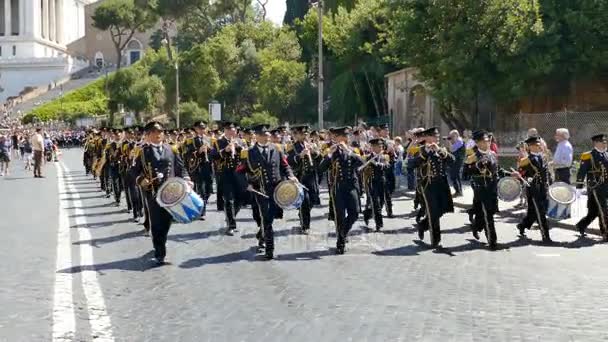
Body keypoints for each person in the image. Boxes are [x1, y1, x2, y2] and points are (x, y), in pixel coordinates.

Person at [131, 121, 190, 265]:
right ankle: (160, 253)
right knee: (157, 222)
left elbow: (180, 167)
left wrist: (187, 179)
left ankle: (161, 241)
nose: (158, 135)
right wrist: (141, 180)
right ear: (149, 135)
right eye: (155, 132)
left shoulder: (172, 149)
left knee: (167, 220)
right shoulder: (142, 151)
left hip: (170, 191)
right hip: (153, 191)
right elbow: (133, 171)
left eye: (161, 132)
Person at [237, 124, 295, 259]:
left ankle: (261, 234)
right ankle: (270, 250)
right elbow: (239, 172)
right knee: (267, 218)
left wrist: (291, 176)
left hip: (276, 189)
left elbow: (285, 166)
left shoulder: (277, 148)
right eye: (263, 135)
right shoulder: (248, 152)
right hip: (260, 190)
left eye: (267, 135)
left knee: (273, 216)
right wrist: (247, 185)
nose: (267, 137)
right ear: (256, 136)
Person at [319, 127, 363, 254]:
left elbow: (361, 163)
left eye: (347, 137)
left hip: (352, 186)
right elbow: (321, 169)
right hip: (338, 187)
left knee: (355, 213)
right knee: (340, 216)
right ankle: (341, 242)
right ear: (336, 138)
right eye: (343, 137)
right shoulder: (331, 151)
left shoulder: (353, 150)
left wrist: (348, 151)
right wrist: (329, 155)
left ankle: (342, 233)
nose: (346, 139)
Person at [409, 127, 455, 247]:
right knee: (433, 212)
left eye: (438, 136)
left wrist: (441, 151)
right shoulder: (420, 150)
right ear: (427, 138)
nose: (437, 138)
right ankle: (436, 240)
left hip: (442, 184)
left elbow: (452, 161)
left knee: (442, 209)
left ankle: (422, 225)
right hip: (428, 185)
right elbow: (411, 164)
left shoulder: (441, 149)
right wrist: (425, 153)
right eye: (435, 136)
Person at [463, 130, 508, 249]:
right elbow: (465, 173)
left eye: (488, 140)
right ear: (477, 143)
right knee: (488, 214)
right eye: (485, 141)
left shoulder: (492, 153)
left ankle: (475, 226)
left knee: (490, 211)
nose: (488, 142)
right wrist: (477, 167)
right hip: (481, 188)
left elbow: (498, 170)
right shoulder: (473, 156)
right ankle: (492, 241)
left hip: (492, 188)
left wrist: (510, 175)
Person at [515, 135, 552, 243]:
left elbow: (546, 173)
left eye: (539, 144)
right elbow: (521, 173)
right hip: (533, 188)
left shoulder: (543, 157)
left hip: (542, 188)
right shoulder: (526, 160)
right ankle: (546, 237)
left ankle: (522, 225)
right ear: (530, 147)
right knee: (540, 212)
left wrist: (549, 184)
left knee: (533, 212)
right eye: (536, 145)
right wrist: (520, 176)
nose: (538, 146)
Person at [287, 124, 321, 234]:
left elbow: (320, 159)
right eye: (302, 134)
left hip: (312, 177)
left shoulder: (312, 145)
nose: (305, 136)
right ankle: (305, 225)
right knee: (305, 201)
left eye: (306, 134)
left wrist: (314, 152)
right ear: (297, 135)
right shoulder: (293, 147)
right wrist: (300, 155)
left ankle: (302, 213)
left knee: (313, 199)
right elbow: (289, 161)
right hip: (301, 177)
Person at [211, 121, 244, 235]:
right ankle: (231, 224)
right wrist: (225, 150)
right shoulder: (218, 142)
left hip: (239, 173)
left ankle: (231, 215)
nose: (231, 132)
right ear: (225, 131)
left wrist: (239, 148)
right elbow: (213, 156)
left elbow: (246, 154)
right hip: (225, 173)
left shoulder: (240, 141)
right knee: (228, 199)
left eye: (233, 130)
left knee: (240, 198)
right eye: (228, 130)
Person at [575, 134, 608, 239]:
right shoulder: (588, 155)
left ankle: (581, 225)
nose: (605, 143)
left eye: (605, 141)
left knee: (593, 212)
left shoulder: (606, 154)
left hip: (606, 186)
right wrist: (579, 187)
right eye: (602, 142)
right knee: (604, 209)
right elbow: (581, 172)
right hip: (595, 187)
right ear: (595, 143)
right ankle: (605, 233)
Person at [362, 138, 390, 231]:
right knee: (376, 203)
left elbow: (387, 166)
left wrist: (377, 164)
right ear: (373, 148)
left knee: (381, 202)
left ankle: (367, 213)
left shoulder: (385, 157)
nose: (380, 148)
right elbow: (363, 170)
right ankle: (379, 224)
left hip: (382, 182)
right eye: (378, 146)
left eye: (381, 146)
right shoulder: (368, 157)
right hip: (372, 183)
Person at [447, 129, 465, 197]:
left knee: (453, 175)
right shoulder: (456, 141)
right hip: (456, 160)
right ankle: (459, 191)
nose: (451, 137)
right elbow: (451, 150)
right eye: (450, 136)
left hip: (458, 160)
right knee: (456, 176)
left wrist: (449, 142)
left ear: (457, 135)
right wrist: (450, 141)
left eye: (452, 136)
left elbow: (451, 149)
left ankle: (458, 191)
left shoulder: (459, 141)